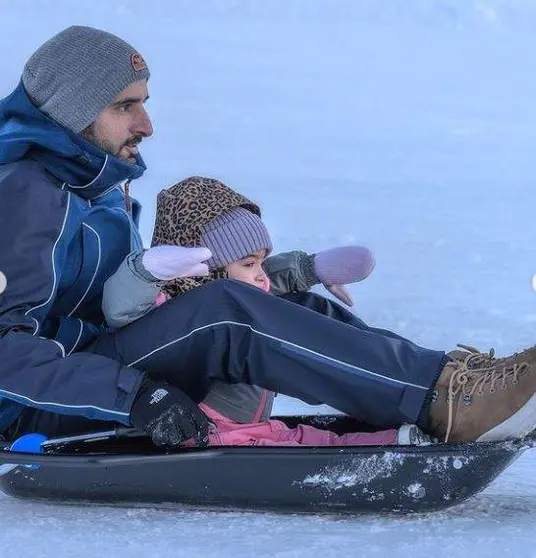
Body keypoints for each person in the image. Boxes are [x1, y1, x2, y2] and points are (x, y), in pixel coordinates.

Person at [0, 26, 535, 450]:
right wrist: (133, 396)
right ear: (72, 110)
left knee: (275, 299)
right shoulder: (24, 193)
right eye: (125, 106)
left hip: (100, 367)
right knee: (229, 313)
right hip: (48, 403)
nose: (147, 123)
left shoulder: (96, 183)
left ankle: (446, 388)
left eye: (143, 101)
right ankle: (443, 400)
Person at [101, 174, 432, 447]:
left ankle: (420, 388)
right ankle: (405, 429)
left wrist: (310, 268)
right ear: (208, 270)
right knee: (307, 444)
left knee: (304, 310)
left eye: (260, 261)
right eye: (249, 263)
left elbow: (258, 281)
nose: (260, 273)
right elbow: (122, 310)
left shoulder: (239, 293)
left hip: (248, 426)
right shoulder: (168, 312)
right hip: (203, 430)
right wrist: (144, 271)